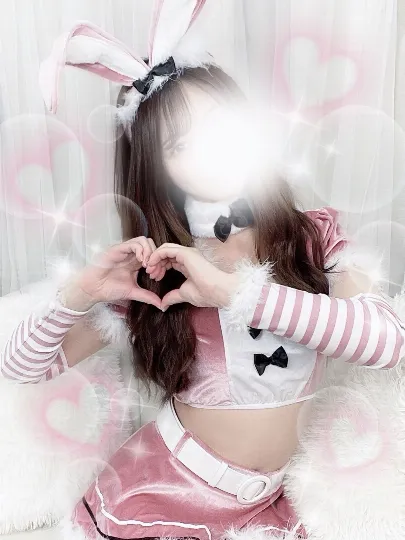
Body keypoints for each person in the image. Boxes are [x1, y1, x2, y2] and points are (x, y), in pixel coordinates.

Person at [2, 6, 405, 540]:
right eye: (180, 144)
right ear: (159, 170)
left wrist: (238, 295)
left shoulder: (313, 236)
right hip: (164, 493)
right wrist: (76, 293)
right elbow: (22, 368)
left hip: (271, 503)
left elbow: (388, 342)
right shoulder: (157, 267)